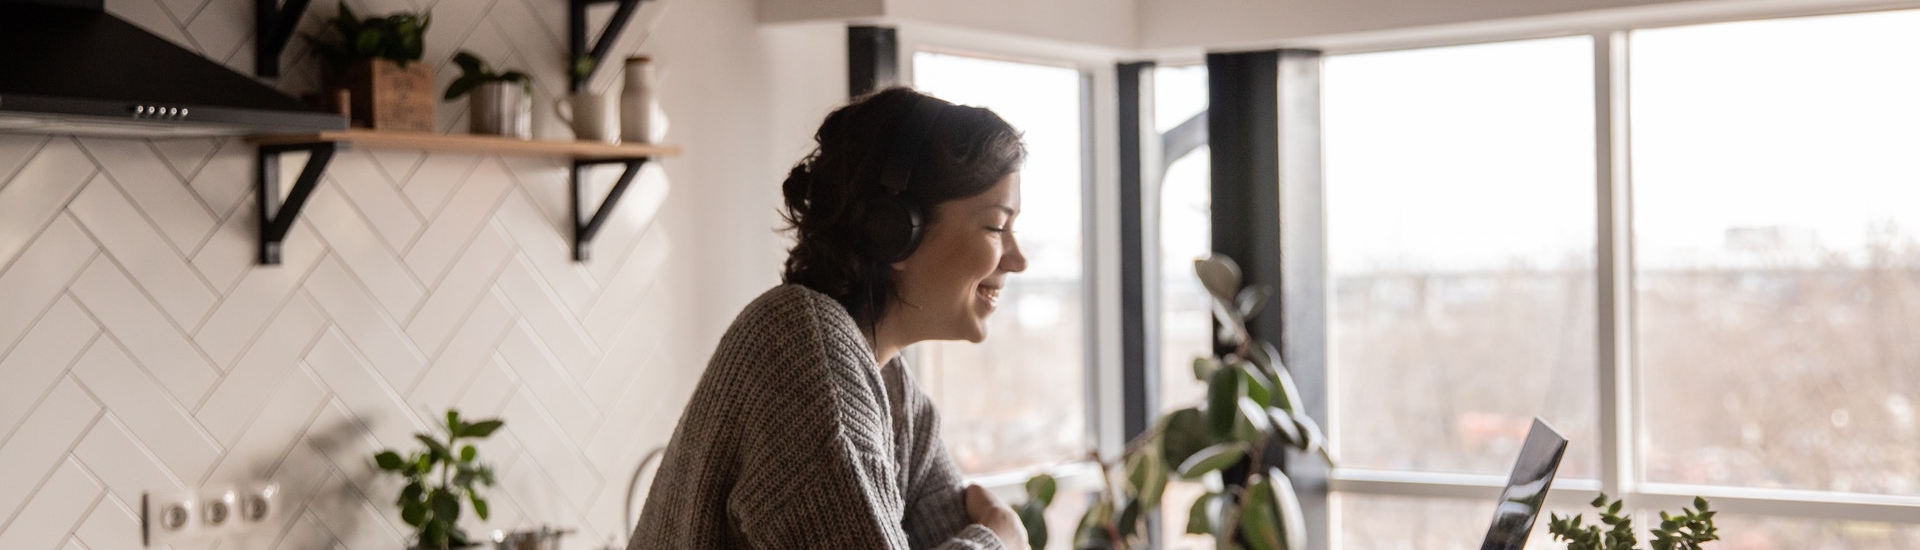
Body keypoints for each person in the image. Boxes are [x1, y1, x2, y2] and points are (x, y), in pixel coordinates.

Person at [628, 87, 1032, 549]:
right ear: (894, 230)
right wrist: (998, 541)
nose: (1018, 260)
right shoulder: (801, 352)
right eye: (997, 227)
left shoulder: (899, 400)